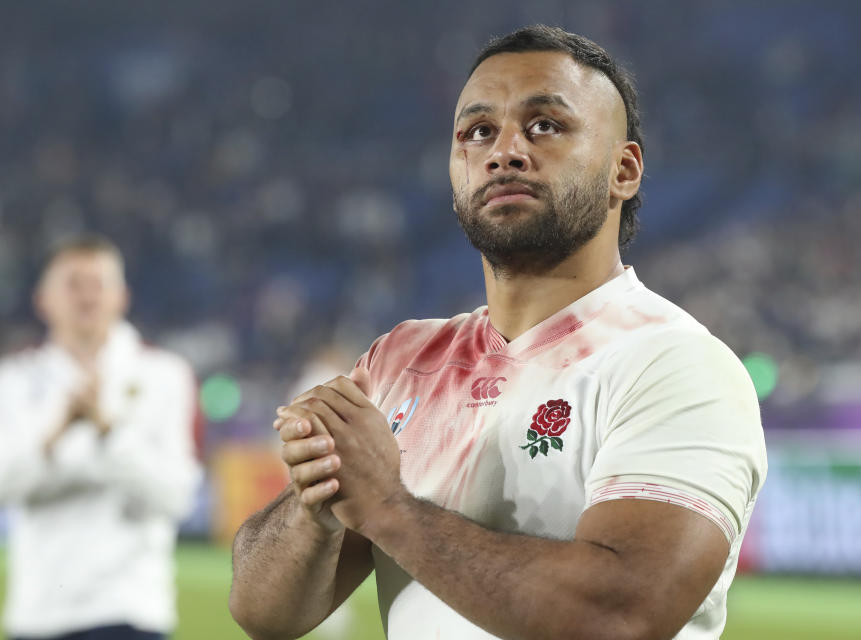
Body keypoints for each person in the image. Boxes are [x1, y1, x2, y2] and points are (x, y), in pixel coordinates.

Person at [229, 25, 767, 640]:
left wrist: (390, 509)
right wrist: (314, 503)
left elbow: (620, 617)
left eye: (545, 125)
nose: (504, 150)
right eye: (478, 131)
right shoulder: (401, 362)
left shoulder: (675, 363)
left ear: (624, 169)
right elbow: (264, 615)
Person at [0, 235, 202, 640]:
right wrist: (56, 432)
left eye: (100, 284)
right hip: (38, 612)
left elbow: (176, 496)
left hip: (129, 608)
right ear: (43, 299)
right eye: (73, 283)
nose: (87, 296)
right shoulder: (15, 381)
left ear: (122, 296)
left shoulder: (164, 375)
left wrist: (107, 431)